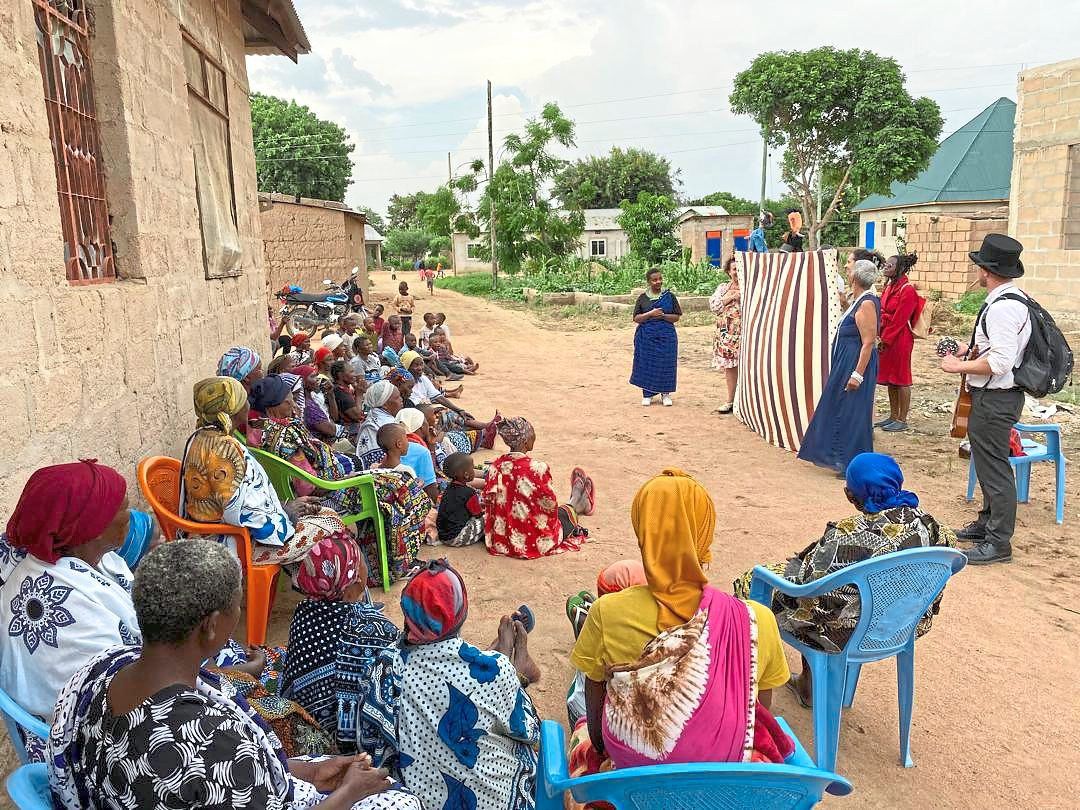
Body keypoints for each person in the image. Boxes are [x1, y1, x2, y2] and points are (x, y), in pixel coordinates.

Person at [47, 539, 419, 810]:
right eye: (237, 607)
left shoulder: (99, 670)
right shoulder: (209, 741)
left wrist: (306, 770)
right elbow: (220, 769)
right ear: (210, 627)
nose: (238, 617)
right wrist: (348, 793)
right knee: (401, 804)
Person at [569, 470, 791, 772]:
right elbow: (754, 717)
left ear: (642, 532)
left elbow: (599, 739)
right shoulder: (756, 621)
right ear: (705, 534)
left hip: (631, 789)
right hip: (723, 790)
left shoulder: (607, 613)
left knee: (580, 714)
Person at [734, 453, 955, 706]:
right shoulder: (932, 526)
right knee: (836, 593)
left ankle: (755, 683)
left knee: (754, 582)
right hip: (899, 626)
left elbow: (807, 582)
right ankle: (808, 682)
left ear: (851, 496)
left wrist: (789, 565)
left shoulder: (847, 534)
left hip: (844, 631)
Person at [363, 560, 541, 810]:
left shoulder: (386, 666)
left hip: (423, 800)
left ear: (407, 612)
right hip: (495, 801)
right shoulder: (496, 671)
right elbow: (529, 731)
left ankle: (502, 656)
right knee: (521, 723)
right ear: (460, 614)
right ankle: (517, 669)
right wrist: (511, 677)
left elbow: (371, 748)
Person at [0, 461, 138, 728]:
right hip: (92, 740)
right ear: (91, 526)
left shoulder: (95, 558)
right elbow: (119, 703)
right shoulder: (59, 605)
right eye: (122, 508)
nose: (130, 516)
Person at [182, 376, 352, 568]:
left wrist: (283, 504)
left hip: (219, 530)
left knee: (321, 513)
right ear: (233, 410)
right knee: (331, 521)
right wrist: (287, 512)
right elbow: (238, 512)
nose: (248, 404)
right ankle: (331, 586)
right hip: (234, 542)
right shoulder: (224, 449)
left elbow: (239, 499)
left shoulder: (200, 437)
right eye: (243, 399)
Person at [941, 234, 1032, 565]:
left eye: (979, 265)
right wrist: (972, 351)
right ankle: (986, 524)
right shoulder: (1012, 299)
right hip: (998, 396)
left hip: (996, 398)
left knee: (995, 468)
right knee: (988, 461)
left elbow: (1001, 362)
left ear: (986, 270)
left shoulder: (1003, 308)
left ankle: (998, 542)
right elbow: (998, 351)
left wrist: (957, 365)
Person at [280, 534, 401, 757]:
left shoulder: (303, 612)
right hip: (350, 746)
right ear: (350, 588)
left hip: (306, 729)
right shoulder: (377, 631)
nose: (364, 568)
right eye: (361, 563)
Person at [798, 259, 880, 475]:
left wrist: (857, 375)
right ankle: (841, 458)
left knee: (852, 410)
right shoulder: (859, 300)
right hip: (847, 362)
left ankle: (850, 461)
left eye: (850, 269)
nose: (847, 269)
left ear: (854, 278)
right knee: (842, 407)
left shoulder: (867, 303)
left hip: (855, 365)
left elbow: (869, 341)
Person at [249, 375, 370, 514]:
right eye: (289, 402)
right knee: (385, 487)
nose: (294, 405)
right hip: (315, 499)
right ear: (271, 408)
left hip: (283, 494)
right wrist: (346, 480)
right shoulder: (288, 435)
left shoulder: (254, 428)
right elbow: (309, 487)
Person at [482, 417, 594, 559]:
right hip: (534, 542)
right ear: (524, 442)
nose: (534, 436)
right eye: (532, 434)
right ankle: (577, 501)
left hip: (501, 541)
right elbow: (549, 505)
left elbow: (489, 502)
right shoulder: (537, 468)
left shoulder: (495, 466)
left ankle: (577, 500)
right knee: (562, 515)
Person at [400, 352, 495, 437]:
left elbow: (439, 397)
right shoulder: (405, 386)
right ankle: (486, 428)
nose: (420, 368)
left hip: (429, 413)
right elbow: (415, 409)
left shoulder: (422, 379)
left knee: (456, 415)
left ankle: (486, 428)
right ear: (407, 367)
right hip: (419, 420)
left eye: (421, 364)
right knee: (447, 417)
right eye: (416, 365)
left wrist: (459, 409)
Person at [877, 252, 921, 432]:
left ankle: (902, 419)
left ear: (900, 268)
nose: (886, 267)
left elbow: (900, 319)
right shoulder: (889, 287)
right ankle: (893, 415)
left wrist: (885, 339)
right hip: (887, 335)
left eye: (890, 265)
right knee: (890, 378)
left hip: (900, 338)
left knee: (902, 378)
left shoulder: (907, 290)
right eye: (886, 264)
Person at [630, 267, 682, 407]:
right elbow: (636, 318)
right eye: (654, 280)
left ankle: (665, 393)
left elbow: (677, 316)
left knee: (666, 364)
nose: (658, 282)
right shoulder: (642, 298)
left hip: (666, 336)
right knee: (647, 364)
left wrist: (664, 316)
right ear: (649, 282)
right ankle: (647, 394)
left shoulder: (669, 297)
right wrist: (650, 314)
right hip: (647, 337)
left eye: (660, 279)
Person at [710, 256, 742, 414]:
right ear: (729, 272)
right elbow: (715, 306)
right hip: (727, 335)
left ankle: (744, 403)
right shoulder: (723, 288)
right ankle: (730, 400)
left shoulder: (750, 287)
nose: (737, 272)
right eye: (735, 269)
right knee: (730, 368)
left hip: (745, 334)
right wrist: (731, 297)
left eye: (740, 269)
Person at [436, 453, 485, 547]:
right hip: (457, 538)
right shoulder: (469, 493)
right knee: (488, 517)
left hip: (443, 535)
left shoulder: (448, 488)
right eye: (473, 469)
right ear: (466, 475)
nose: (474, 471)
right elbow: (478, 514)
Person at [356, 380, 404, 467]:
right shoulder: (376, 426)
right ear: (385, 405)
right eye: (397, 397)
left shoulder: (382, 420)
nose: (401, 399)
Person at [395, 408, 440, 499]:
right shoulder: (420, 450)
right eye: (426, 422)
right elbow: (431, 489)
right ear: (422, 427)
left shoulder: (394, 442)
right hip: (418, 500)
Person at [333, 360, 367, 439]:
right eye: (351, 372)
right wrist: (359, 394)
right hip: (350, 434)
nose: (354, 375)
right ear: (340, 375)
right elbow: (357, 415)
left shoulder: (346, 388)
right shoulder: (340, 392)